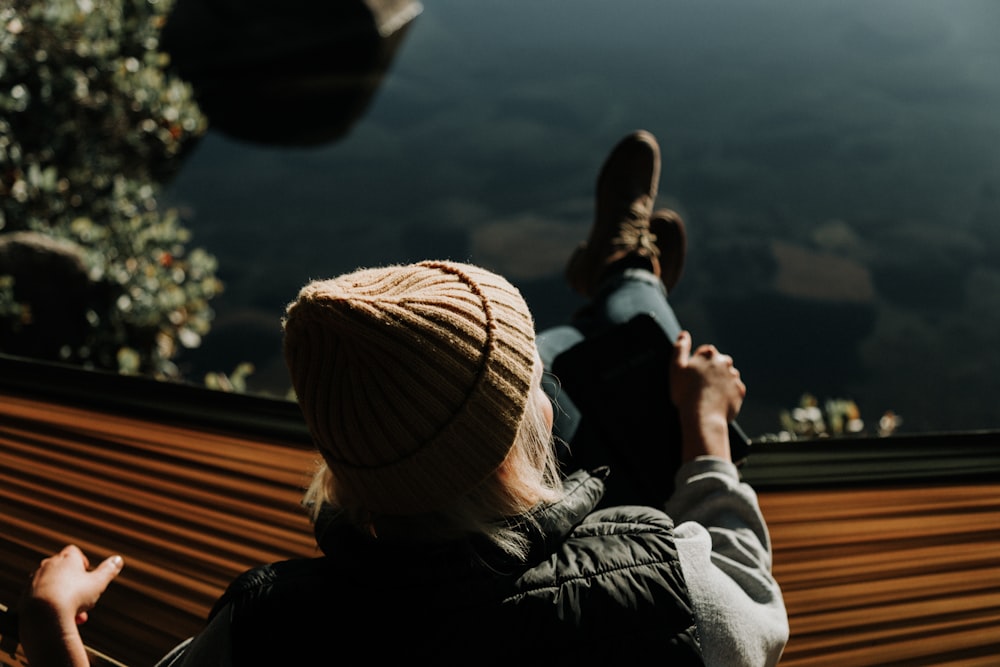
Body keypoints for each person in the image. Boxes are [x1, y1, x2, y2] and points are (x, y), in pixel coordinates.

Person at [17, 130, 789, 666]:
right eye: (528, 383)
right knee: (632, 347)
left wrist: (53, 629)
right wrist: (707, 425)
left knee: (590, 350)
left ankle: (621, 274)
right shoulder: (669, 581)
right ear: (536, 419)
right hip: (625, 493)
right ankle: (629, 276)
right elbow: (758, 609)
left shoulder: (263, 631)